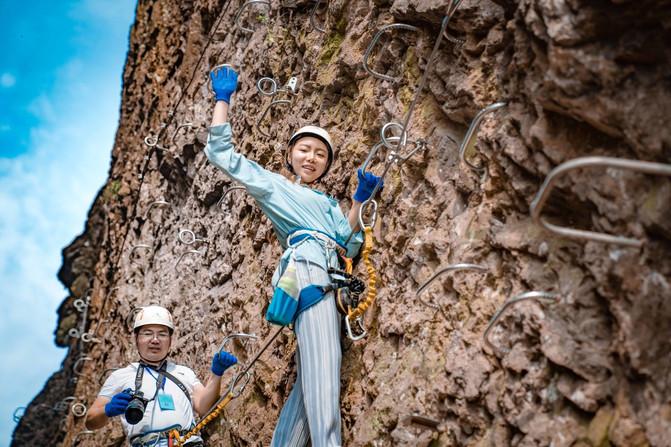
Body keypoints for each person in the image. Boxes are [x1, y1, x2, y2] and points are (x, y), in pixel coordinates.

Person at [204, 65, 383, 447]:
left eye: (321, 154)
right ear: (289, 155)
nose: (312, 158)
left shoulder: (327, 203)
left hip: (327, 279)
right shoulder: (274, 186)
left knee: (310, 386)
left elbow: (347, 242)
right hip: (310, 278)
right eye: (304, 149)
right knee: (324, 374)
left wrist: (358, 201)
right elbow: (222, 154)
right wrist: (223, 99)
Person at [85, 305, 238, 447]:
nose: (155, 340)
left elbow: (204, 408)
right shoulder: (121, 376)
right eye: (147, 333)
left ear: (170, 340)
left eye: (162, 334)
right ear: (136, 338)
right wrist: (107, 409)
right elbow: (90, 421)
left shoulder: (184, 372)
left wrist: (217, 374)